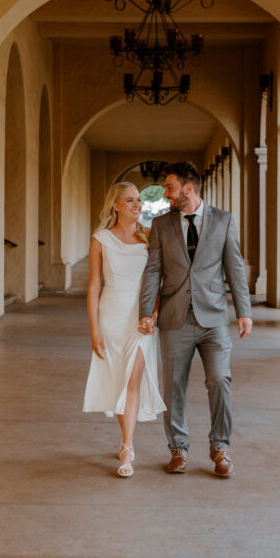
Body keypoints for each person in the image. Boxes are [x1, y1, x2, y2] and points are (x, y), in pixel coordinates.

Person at [139, 162, 252, 477]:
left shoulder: (223, 221)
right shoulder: (162, 225)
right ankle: (178, 449)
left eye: (170, 187)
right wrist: (146, 312)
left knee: (220, 380)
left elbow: (235, 267)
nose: (166, 193)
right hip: (175, 318)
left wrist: (244, 311)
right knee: (173, 386)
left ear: (189, 188)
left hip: (213, 318)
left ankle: (220, 448)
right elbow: (153, 271)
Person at [83, 182, 165, 477]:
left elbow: (156, 280)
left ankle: (127, 448)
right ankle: (125, 440)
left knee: (132, 379)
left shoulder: (149, 238)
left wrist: (153, 313)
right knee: (120, 380)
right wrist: (94, 331)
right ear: (115, 206)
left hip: (141, 319)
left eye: (138, 200)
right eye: (129, 201)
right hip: (111, 317)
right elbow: (94, 287)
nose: (137, 205)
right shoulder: (100, 239)